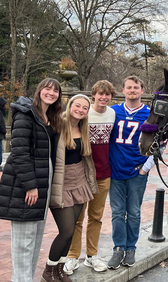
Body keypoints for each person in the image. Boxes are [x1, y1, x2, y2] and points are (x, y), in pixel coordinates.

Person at [0, 78, 63, 282]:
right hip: (27, 185)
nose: (51, 93)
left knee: (34, 241)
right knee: (24, 243)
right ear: (39, 90)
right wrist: (30, 186)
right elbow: (19, 152)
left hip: (44, 181)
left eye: (55, 91)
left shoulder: (50, 117)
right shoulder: (25, 114)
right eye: (47, 89)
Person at [41, 94, 99, 282]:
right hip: (61, 181)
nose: (80, 110)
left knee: (72, 229)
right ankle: (48, 271)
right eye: (77, 105)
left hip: (80, 180)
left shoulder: (83, 128)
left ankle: (60, 269)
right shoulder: (57, 125)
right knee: (65, 230)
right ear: (70, 105)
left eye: (84, 107)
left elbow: (86, 157)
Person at [64, 81, 116, 275]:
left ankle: (92, 255)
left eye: (107, 94)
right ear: (93, 94)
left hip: (103, 173)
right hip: (82, 174)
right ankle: (73, 256)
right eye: (100, 94)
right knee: (76, 218)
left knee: (96, 217)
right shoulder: (84, 114)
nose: (103, 97)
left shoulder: (112, 114)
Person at [107, 76, 155, 269]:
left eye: (136, 87)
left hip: (137, 171)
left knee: (133, 212)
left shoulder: (149, 114)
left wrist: (145, 168)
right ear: (123, 90)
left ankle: (130, 248)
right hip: (115, 171)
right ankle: (118, 248)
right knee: (117, 212)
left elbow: (160, 144)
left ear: (142, 91)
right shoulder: (113, 111)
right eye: (129, 87)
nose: (132, 90)